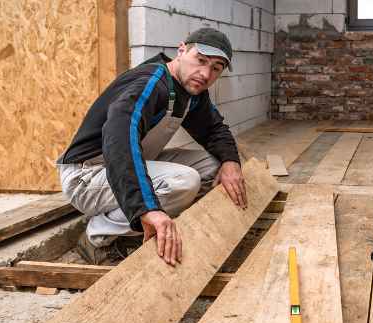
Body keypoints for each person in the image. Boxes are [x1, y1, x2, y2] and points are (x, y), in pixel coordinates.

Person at [57, 28, 247, 266]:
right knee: (183, 181)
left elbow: (214, 130)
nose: (205, 73)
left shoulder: (191, 89)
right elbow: (121, 144)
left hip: (123, 166)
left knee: (213, 167)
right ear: (181, 51)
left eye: (216, 68)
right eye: (201, 60)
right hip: (87, 175)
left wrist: (230, 162)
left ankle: (148, 226)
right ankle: (97, 236)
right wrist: (146, 208)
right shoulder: (151, 83)